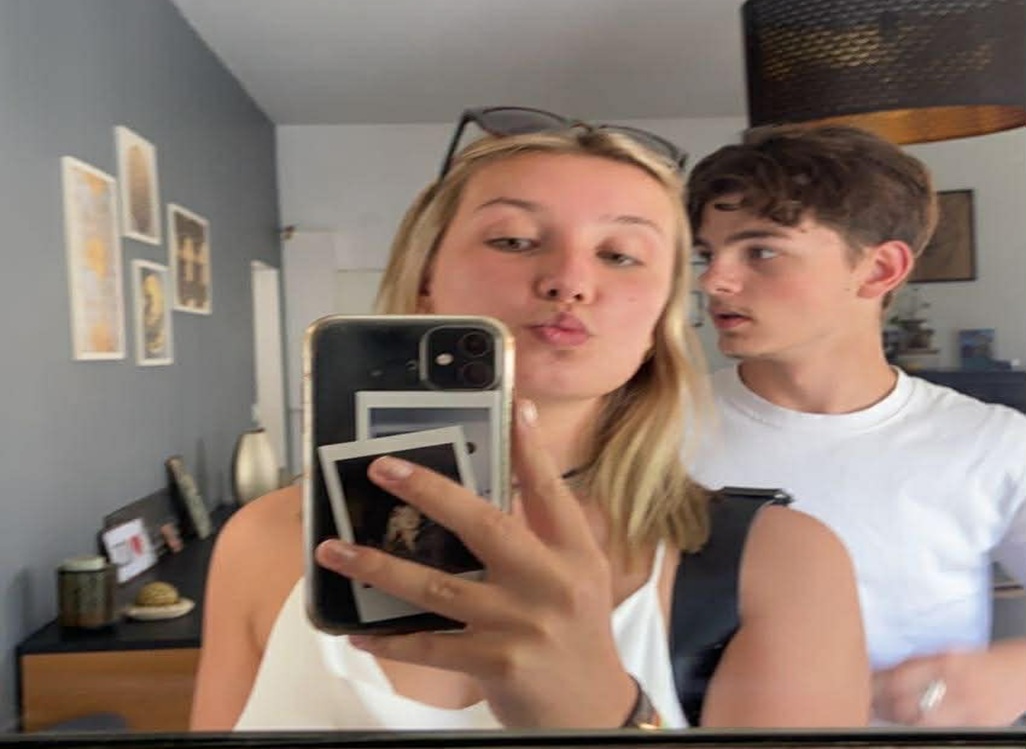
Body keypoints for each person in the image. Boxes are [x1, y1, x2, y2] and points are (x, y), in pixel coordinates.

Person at [190, 107, 869, 731]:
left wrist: (607, 714)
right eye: (513, 240)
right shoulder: (264, 540)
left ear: (658, 321)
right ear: (426, 282)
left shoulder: (783, 565)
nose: (569, 280)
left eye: (620, 255)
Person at [686, 123, 1026, 727]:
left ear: (878, 270)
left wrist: (1012, 674)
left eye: (760, 251)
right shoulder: (649, 434)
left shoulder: (994, 444)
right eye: (707, 255)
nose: (714, 281)